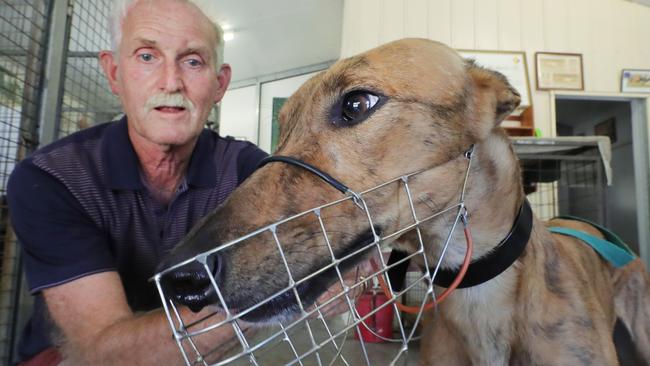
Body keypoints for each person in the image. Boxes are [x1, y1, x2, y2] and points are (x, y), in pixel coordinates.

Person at [7, 0, 268, 364]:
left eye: (192, 61)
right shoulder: (52, 178)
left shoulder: (245, 169)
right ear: (114, 73)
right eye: (147, 57)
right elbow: (105, 354)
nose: (171, 82)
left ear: (219, 83)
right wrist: (285, 292)